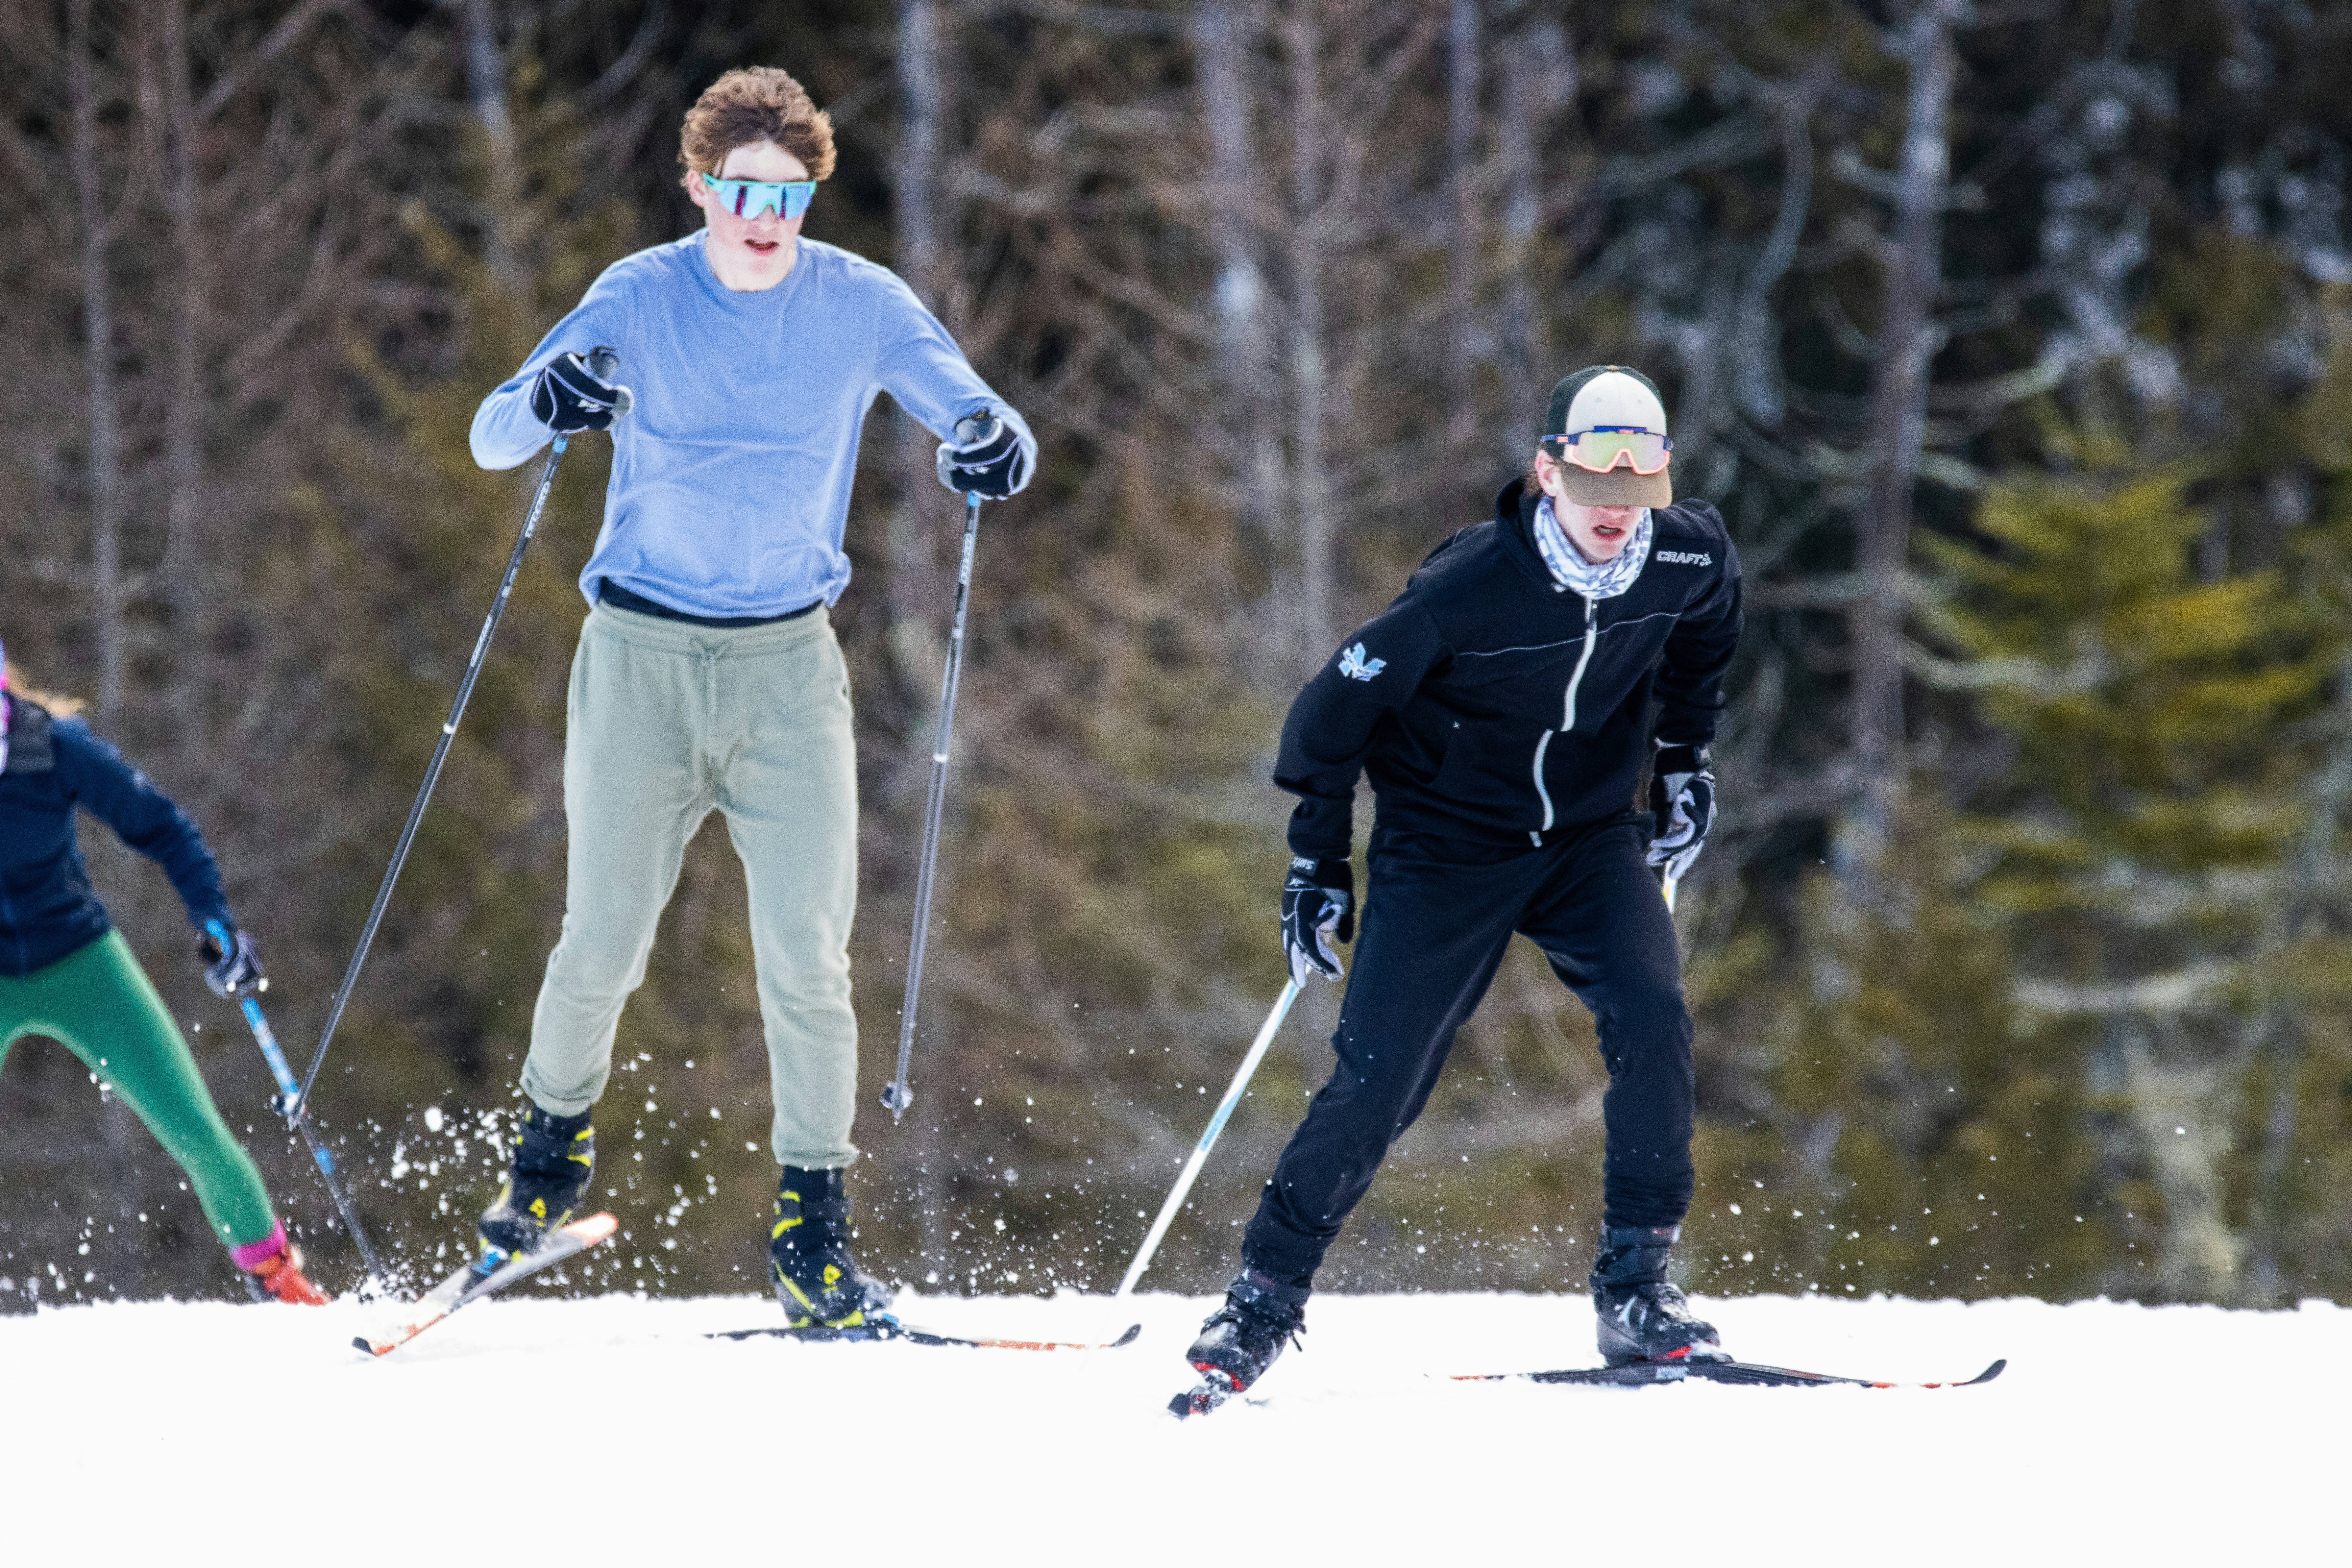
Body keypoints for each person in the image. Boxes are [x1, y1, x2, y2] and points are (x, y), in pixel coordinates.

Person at [465, 66, 1034, 1330]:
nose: (763, 215)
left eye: (787, 194)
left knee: (809, 961)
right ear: (698, 185)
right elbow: (497, 437)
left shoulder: (861, 304)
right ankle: (543, 1174)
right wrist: (548, 400)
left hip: (788, 669)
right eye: (738, 190)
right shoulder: (642, 294)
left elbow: (993, 426)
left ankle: (812, 1238)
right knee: (601, 940)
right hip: (641, 663)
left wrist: (990, 445)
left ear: (812, 194)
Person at [1184, 366, 1741, 1396]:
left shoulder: (1683, 552)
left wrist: (1683, 759)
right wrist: (1317, 859)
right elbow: (1326, 721)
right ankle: (1259, 1304)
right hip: (1447, 848)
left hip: (1588, 840)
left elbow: (1710, 627)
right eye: (1594, 490)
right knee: (1381, 1080)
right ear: (1546, 474)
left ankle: (1636, 1292)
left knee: (1655, 1016)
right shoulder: (1469, 586)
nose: (1617, 515)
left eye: (1638, 494)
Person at [0, 644, 327, 1305]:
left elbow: (164, 827)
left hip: (80, 960)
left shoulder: (55, 747)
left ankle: (276, 1278)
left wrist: (214, 919)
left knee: (196, 1131)